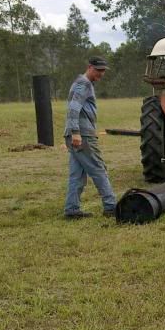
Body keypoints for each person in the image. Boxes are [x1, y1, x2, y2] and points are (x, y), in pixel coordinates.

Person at [63, 56, 117, 218]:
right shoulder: (84, 84)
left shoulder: (82, 83)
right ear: (89, 67)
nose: (101, 74)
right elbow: (73, 108)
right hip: (82, 135)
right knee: (98, 168)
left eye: (103, 71)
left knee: (77, 174)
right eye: (98, 70)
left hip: (75, 134)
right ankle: (110, 206)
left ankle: (72, 209)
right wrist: (76, 132)